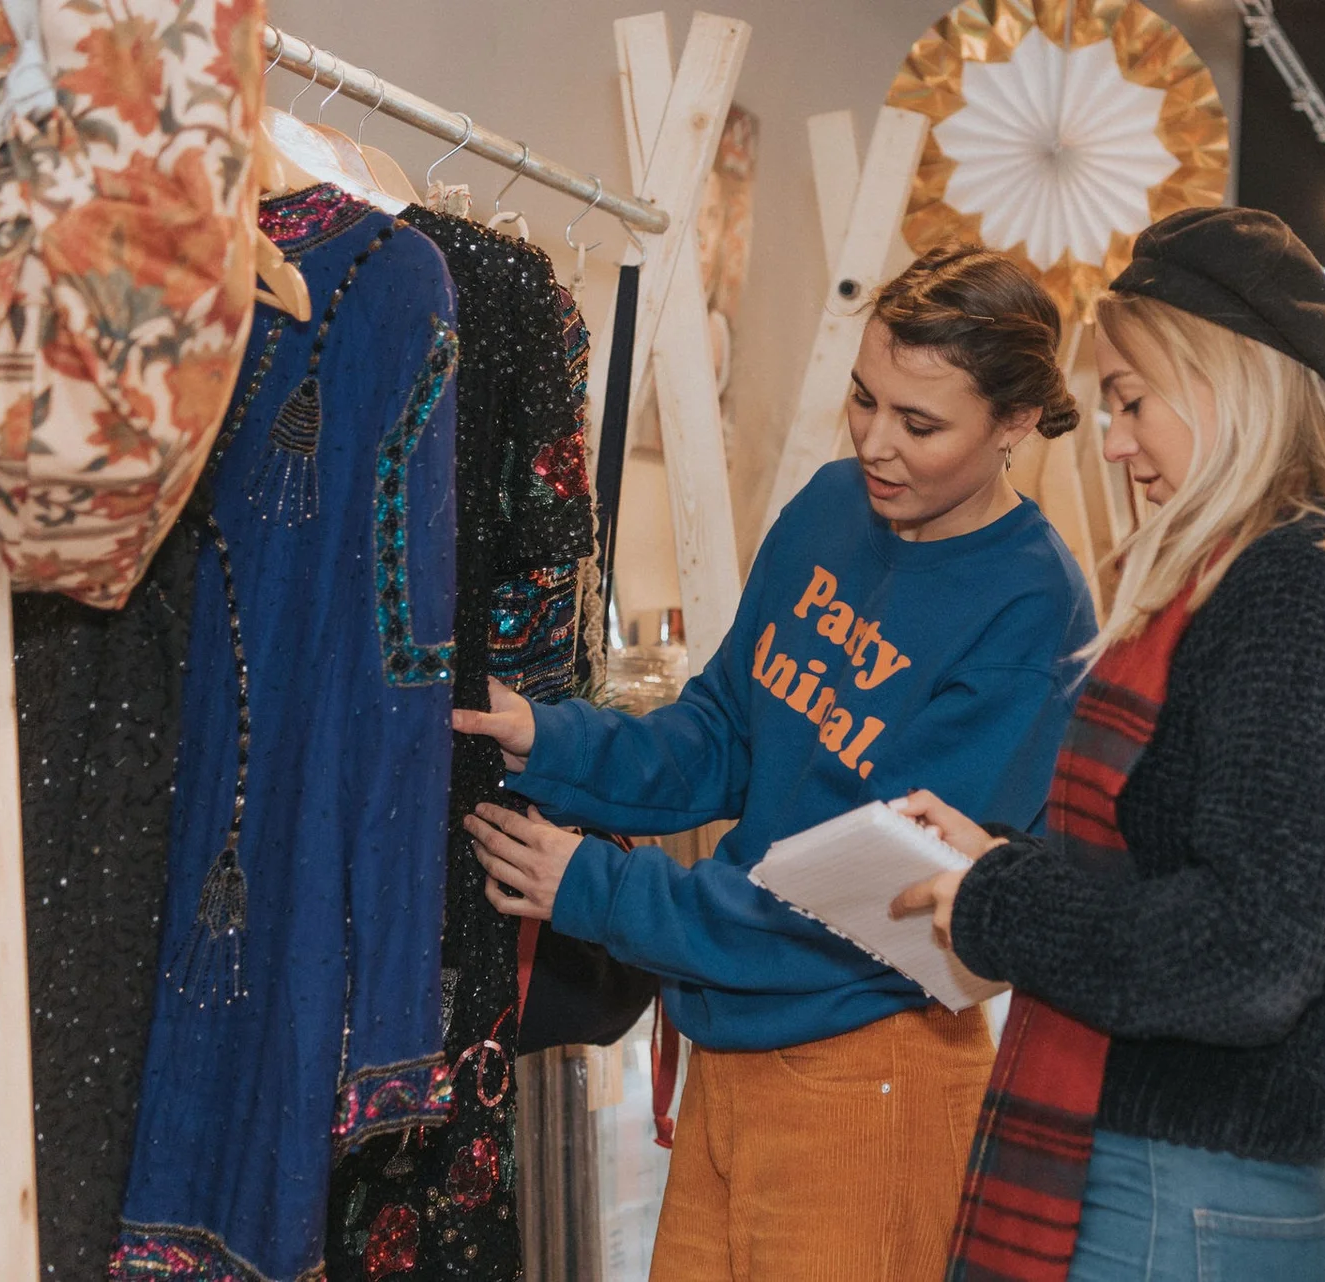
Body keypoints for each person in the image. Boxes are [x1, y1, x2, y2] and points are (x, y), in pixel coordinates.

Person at [455, 245, 1097, 1280]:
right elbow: (720, 731)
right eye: (864, 400)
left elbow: (877, 900)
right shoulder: (833, 507)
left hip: (869, 1071)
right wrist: (548, 734)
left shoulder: (1036, 612)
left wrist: (600, 888)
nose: (878, 445)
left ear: (1016, 423)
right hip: (728, 1039)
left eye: (921, 425)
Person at [891, 207, 1325, 1282]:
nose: (1115, 437)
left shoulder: (1293, 591)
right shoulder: (1266, 577)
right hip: (1179, 1184)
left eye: (1132, 399)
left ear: (1229, 382)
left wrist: (1000, 902)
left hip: (1177, 1197)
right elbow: (1172, 866)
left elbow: (1248, 951)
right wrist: (997, 861)